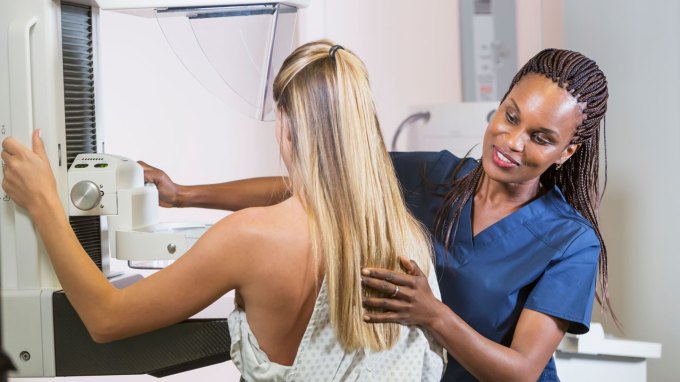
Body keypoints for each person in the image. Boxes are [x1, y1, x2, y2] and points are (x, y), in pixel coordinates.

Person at [140, 48, 613, 381]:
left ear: (567, 151)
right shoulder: (434, 175)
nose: (512, 142)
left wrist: (433, 315)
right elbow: (313, 186)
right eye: (510, 117)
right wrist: (181, 194)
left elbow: (522, 371)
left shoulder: (570, 241)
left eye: (540, 137)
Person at [0, 40, 445, 381]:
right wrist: (182, 193)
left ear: (286, 124)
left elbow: (106, 319)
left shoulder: (248, 239)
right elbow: (309, 197)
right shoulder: (407, 242)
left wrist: (44, 205)